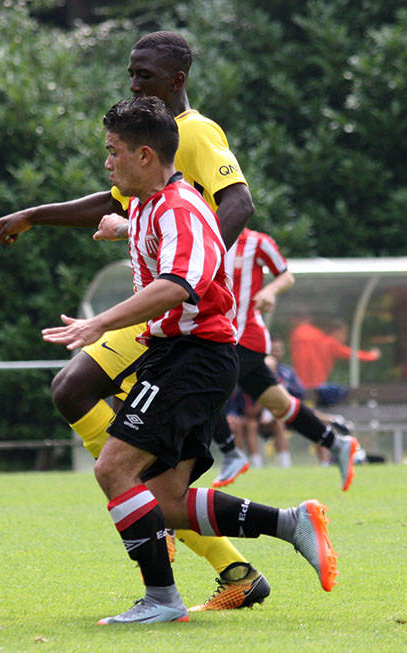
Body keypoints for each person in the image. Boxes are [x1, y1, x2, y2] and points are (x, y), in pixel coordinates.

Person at [0, 31, 266, 611]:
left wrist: (193, 276)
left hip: (181, 313)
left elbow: (238, 203)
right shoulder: (146, 141)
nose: (134, 84)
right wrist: (34, 215)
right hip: (163, 310)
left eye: (145, 76)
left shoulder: (197, 132)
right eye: (131, 73)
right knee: (81, 401)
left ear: (176, 80)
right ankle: (223, 559)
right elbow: (115, 202)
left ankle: (193, 552)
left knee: (86, 407)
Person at [42, 97, 339, 624]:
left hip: (191, 358)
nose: (107, 163)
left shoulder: (180, 206)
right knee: (169, 502)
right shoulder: (154, 206)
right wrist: (124, 230)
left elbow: (177, 284)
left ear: (146, 154)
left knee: (114, 468)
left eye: (113, 152)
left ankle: (161, 600)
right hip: (188, 357)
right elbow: (169, 243)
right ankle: (292, 523)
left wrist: (99, 323)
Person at [203, 227, 359, 491]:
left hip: (246, 338)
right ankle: (337, 444)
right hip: (218, 338)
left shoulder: (256, 242)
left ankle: (230, 453)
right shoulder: (202, 235)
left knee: (205, 390)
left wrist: (271, 291)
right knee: (280, 404)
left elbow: (285, 275)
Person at [289, 314, 381, 392]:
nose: (346, 337)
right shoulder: (329, 343)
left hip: (301, 384)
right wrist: (371, 355)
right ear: (337, 331)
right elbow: (350, 354)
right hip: (314, 385)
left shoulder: (308, 335)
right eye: (345, 333)